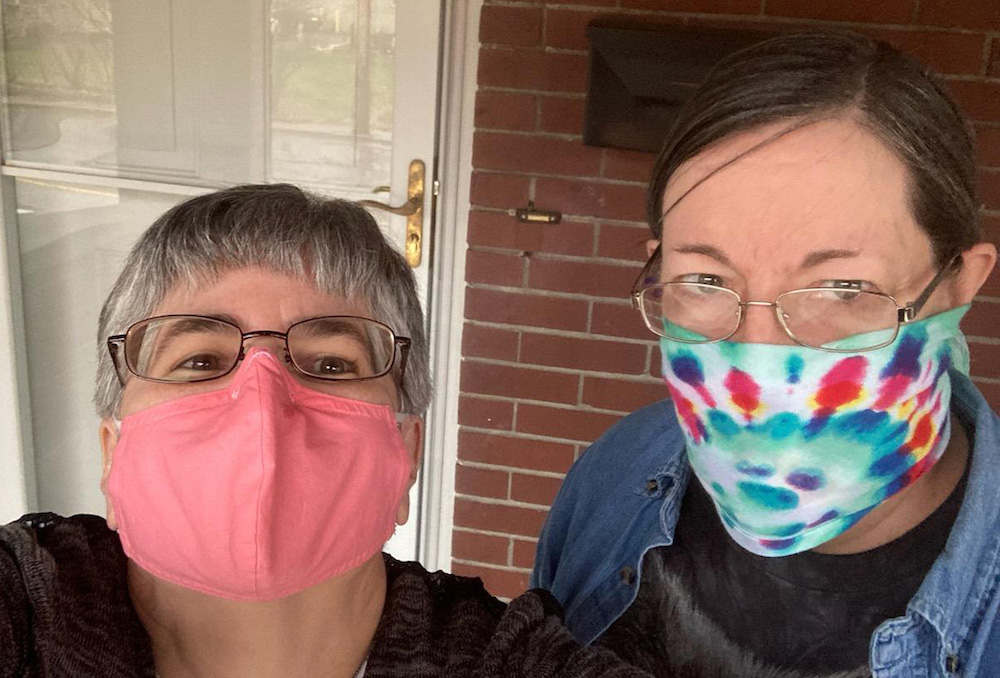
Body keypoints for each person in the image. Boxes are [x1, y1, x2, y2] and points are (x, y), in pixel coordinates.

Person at [0, 185, 651, 678]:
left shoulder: (502, 661)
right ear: (114, 451)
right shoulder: (29, 610)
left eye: (331, 363)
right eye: (198, 359)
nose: (262, 402)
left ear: (406, 451)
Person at [532, 31, 999, 677]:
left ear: (960, 285)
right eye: (705, 281)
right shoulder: (614, 476)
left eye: (842, 289)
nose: (759, 362)